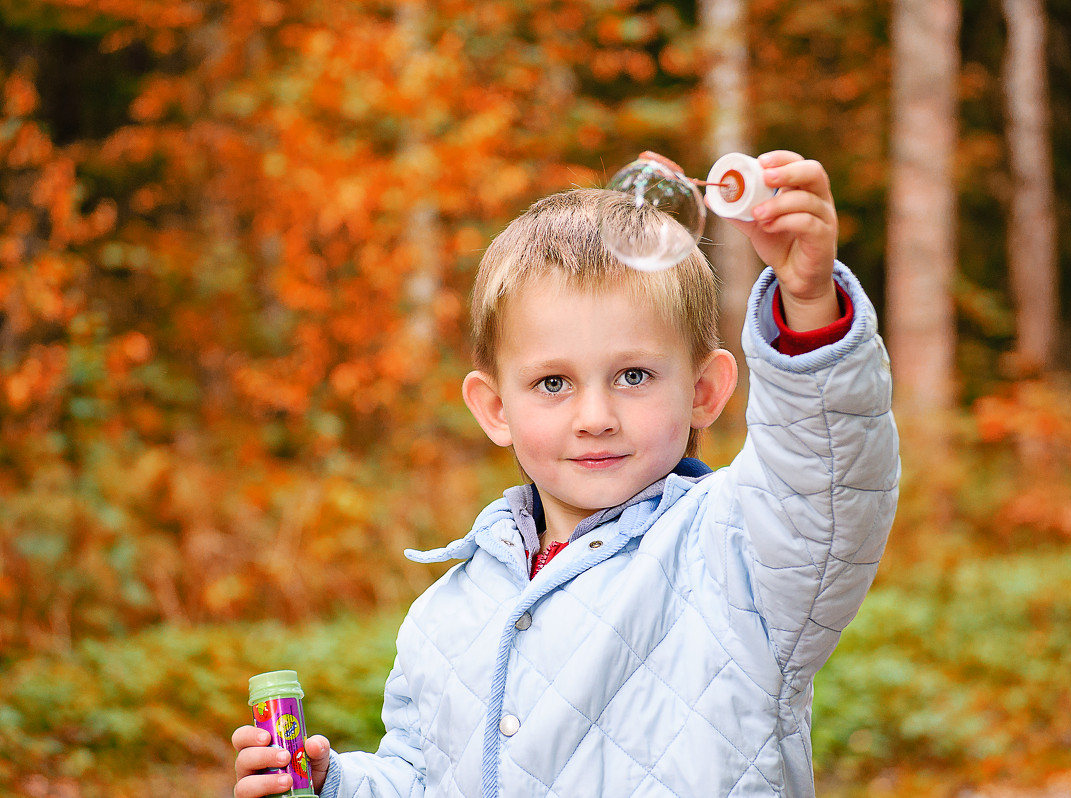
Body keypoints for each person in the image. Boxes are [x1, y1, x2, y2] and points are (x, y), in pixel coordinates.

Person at [233, 150, 900, 798]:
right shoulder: (445, 616)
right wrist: (336, 787)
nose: (595, 416)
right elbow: (421, 778)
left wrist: (808, 302)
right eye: (553, 382)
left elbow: (827, 476)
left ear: (704, 389)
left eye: (633, 375)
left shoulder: (738, 554)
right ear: (496, 409)